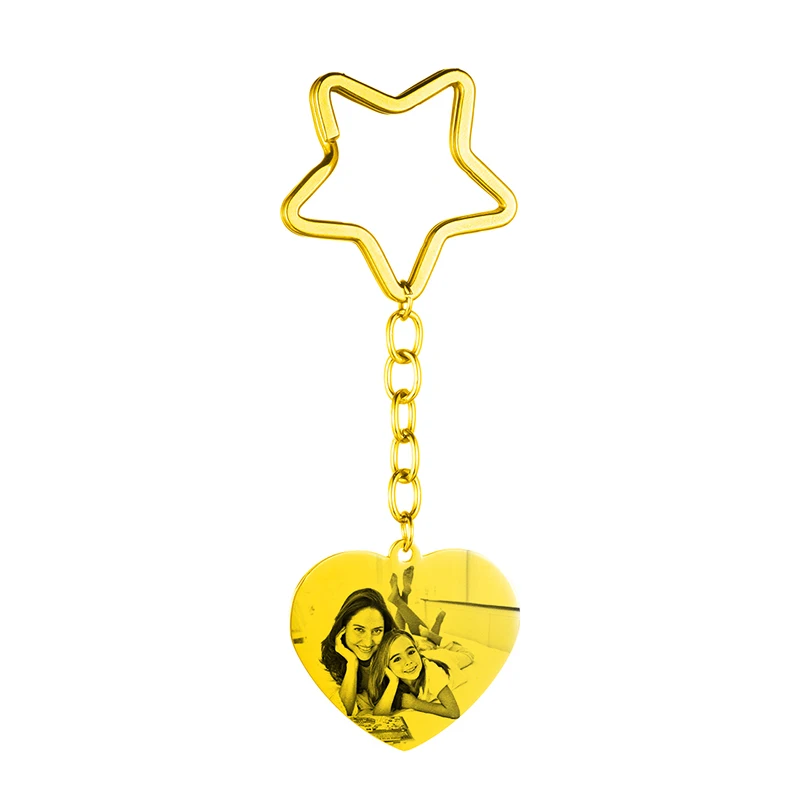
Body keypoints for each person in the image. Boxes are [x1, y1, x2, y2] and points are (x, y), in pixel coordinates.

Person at [320, 588, 397, 716]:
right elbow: (343, 712)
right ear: (343, 628)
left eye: (377, 631)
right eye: (359, 630)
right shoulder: (327, 663)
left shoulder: (391, 655)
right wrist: (352, 664)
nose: (368, 642)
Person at [366, 630, 460, 719]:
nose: (408, 661)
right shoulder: (392, 680)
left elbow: (453, 712)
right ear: (386, 667)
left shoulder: (432, 671)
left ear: (417, 651)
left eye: (411, 652)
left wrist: (414, 703)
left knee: (465, 653)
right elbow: (379, 715)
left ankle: (430, 635)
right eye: (397, 659)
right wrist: (393, 682)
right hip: (428, 655)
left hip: (446, 659)